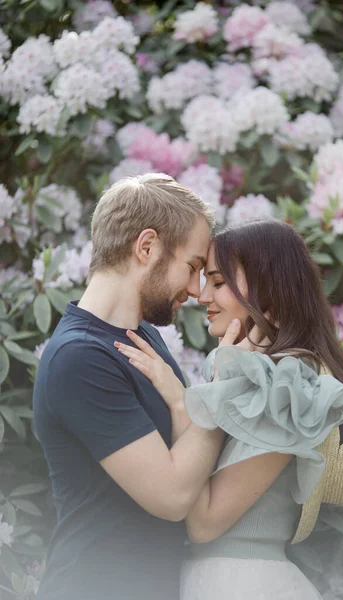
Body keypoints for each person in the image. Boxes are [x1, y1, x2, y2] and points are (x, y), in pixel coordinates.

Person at [115, 219, 343, 600]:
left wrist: (184, 401)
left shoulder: (287, 386)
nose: (202, 296)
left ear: (269, 291)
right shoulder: (243, 372)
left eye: (218, 283)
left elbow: (203, 522)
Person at [32, 173, 229, 600]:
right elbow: (174, 494)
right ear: (146, 247)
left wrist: (187, 406)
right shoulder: (79, 359)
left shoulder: (142, 337)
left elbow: (189, 442)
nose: (196, 290)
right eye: (192, 267)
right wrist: (224, 391)